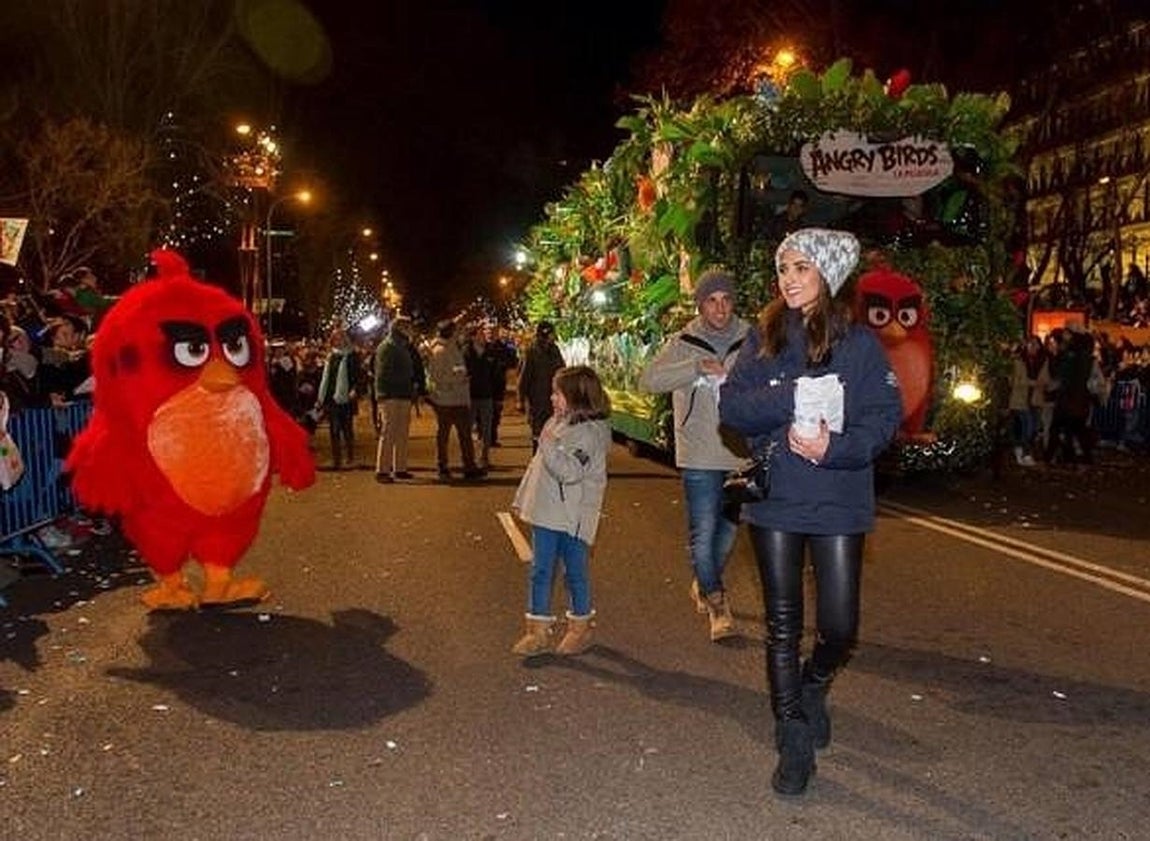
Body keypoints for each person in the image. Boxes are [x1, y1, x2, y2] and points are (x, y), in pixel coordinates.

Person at [719, 228, 902, 796]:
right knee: (782, 626)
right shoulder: (764, 337)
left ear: (827, 274)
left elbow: (883, 416)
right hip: (778, 499)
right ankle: (792, 735)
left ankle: (813, 685)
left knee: (840, 629)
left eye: (801, 267)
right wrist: (789, 393)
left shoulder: (860, 345)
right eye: (784, 269)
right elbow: (732, 407)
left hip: (841, 497)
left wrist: (837, 448)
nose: (789, 279)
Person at [639, 268, 750, 642]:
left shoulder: (751, 338)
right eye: (711, 301)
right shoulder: (684, 341)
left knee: (728, 532)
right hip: (699, 453)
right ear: (700, 305)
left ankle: (704, 581)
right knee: (703, 533)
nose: (720, 309)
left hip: (739, 454)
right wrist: (694, 368)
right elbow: (648, 381)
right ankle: (717, 604)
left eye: (726, 300)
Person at [510, 365, 611, 658]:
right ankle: (536, 632)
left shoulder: (590, 434)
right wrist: (525, 499)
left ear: (577, 397)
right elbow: (539, 469)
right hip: (546, 514)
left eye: (558, 393)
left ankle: (581, 628)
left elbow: (570, 472)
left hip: (572, 518)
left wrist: (548, 446)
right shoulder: (557, 423)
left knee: (574, 573)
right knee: (540, 571)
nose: (552, 398)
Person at [426, 319, 483, 481]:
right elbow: (437, 377)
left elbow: (455, 368)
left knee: (464, 434)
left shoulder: (452, 348)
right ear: (450, 333)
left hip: (458, 398)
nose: (459, 333)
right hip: (446, 400)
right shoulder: (439, 351)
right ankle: (443, 466)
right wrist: (459, 377)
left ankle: (469, 465)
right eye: (456, 331)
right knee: (444, 435)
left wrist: (460, 374)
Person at [374, 316, 425, 482]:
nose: (411, 330)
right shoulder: (388, 347)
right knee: (389, 432)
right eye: (408, 327)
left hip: (403, 393)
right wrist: (405, 380)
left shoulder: (402, 346)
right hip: (390, 394)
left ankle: (400, 467)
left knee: (402, 432)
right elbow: (383, 373)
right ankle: (382, 470)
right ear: (400, 328)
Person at [315, 325, 362, 469]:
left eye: (341, 338)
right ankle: (337, 459)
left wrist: (355, 389)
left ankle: (350, 457)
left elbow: (359, 376)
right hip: (332, 398)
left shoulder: (352, 356)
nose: (338, 341)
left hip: (347, 398)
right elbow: (326, 378)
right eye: (336, 338)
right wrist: (321, 397)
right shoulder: (331, 357)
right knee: (334, 429)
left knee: (347, 429)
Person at [517, 320, 566, 452]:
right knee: (538, 436)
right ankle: (537, 464)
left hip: (554, 401)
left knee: (555, 434)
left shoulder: (555, 350)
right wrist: (520, 400)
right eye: (551, 333)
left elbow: (562, 370)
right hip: (537, 402)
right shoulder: (532, 352)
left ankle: (552, 464)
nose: (553, 336)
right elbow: (524, 377)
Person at [464, 324, 498, 470]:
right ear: (472, 337)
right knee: (468, 428)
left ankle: (484, 458)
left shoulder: (490, 352)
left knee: (486, 428)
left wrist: (497, 394)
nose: (483, 336)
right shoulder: (466, 352)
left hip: (486, 395)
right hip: (470, 396)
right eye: (480, 334)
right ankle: (469, 458)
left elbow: (496, 375)